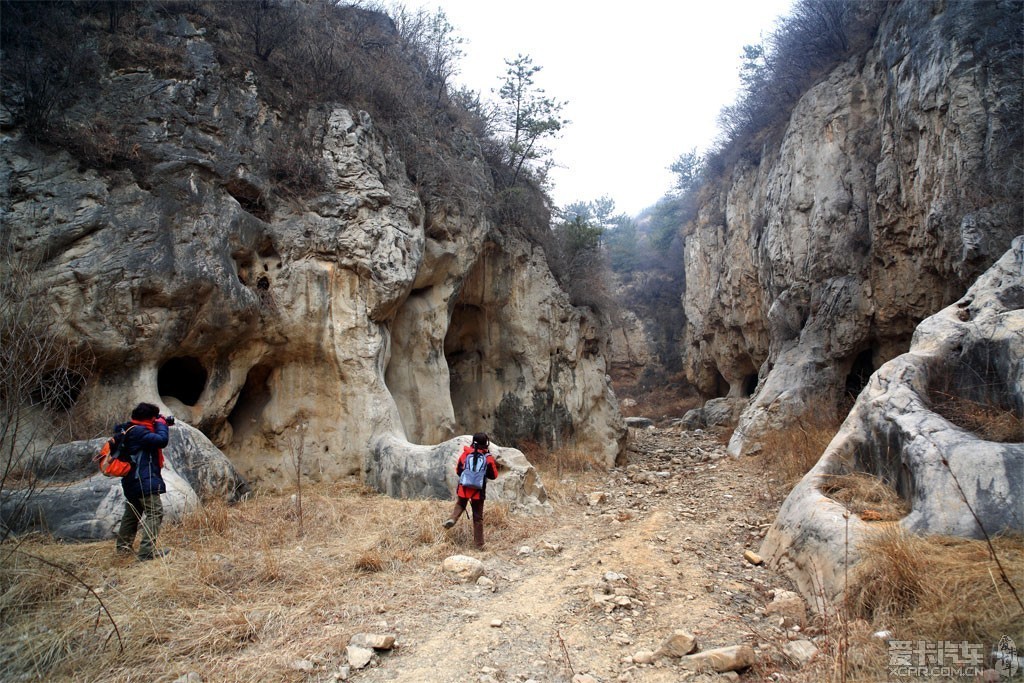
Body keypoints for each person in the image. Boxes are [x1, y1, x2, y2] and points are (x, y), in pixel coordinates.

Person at [114, 402, 172, 561]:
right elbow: (162, 440)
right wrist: (162, 425)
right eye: (155, 418)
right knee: (155, 513)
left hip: (132, 481)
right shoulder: (139, 432)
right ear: (150, 418)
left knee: (131, 514)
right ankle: (146, 553)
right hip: (143, 481)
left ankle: (123, 550)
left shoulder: (129, 429)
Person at [443, 432, 498, 548]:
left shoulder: (466, 454)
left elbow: (458, 470)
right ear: (486, 444)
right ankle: (479, 544)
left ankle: (452, 518)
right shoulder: (487, 458)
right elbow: (494, 475)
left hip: (464, 487)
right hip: (478, 491)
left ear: (473, 442)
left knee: (460, 504)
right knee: (478, 517)